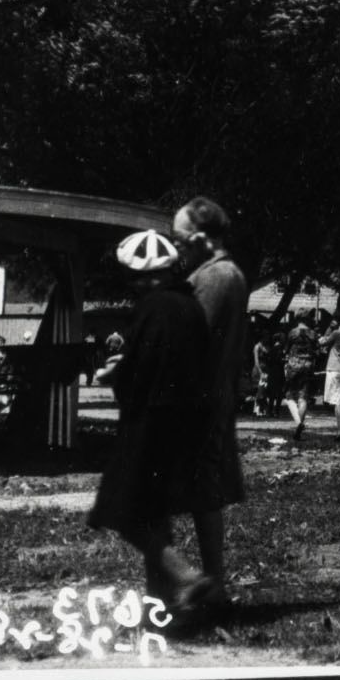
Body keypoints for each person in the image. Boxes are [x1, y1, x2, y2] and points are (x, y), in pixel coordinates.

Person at [87, 231, 217, 613]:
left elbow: (147, 370)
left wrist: (115, 375)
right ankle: (158, 604)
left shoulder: (152, 308)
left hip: (151, 424)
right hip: (189, 423)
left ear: (139, 276)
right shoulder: (189, 306)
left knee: (124, 511)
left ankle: (188, 577)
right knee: (154, 512)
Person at [172, 195, 247, 605]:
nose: (177, 250)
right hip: (209, 397)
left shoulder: (216, 277)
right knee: (204, 495)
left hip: (197, 399)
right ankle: (211, 582)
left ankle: (201, 584)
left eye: (180, 241)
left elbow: (191, 338)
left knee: (195, 493)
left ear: (200, 238)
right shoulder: (225, 273)